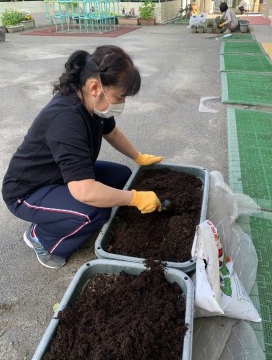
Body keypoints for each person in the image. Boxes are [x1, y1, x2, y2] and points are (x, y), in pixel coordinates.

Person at [2, 45, 163, 269]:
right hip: (28, 191)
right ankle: (42, 238)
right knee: (95, 211)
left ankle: (60, 212)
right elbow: (84, 191)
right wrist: (134, 199)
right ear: (95, 86)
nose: (121, 103)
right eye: (120, 96)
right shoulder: (65, 118)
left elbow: (112, 132)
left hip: (59, 176)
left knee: (123, 176)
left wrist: (138, 156)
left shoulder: (92, 103)